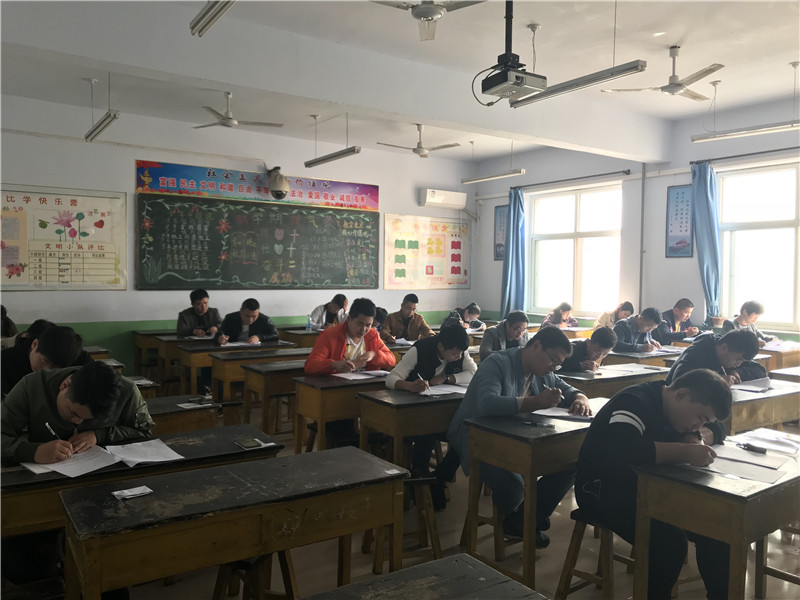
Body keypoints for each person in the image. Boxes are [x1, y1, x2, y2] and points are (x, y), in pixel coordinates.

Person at [575, 369, 732, 599]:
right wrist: (685, 451)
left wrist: (698, 436)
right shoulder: (635, 401)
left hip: (651, 491)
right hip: (602, 491)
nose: (698, 425)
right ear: (681, 395)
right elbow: (624, 450)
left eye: (704, 421)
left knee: (717, 527)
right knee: (669, 543)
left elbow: (718, 429)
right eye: (700, 417)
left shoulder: (678, 412)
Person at [1, 360, 154, 591]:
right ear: (65, 385)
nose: (77, 422)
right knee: (23, 564)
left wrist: (99, 434)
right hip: (44, 490)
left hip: (100, 491)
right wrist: (33, 451)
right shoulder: (32, 387)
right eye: (74, 413)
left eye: (86, 419)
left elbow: (144, 431)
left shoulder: (126, 391)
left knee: (107, 568)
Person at [447, 327, 591, 548]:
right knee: (514, 486)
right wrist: (537, 402)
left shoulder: (543, 372)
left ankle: (522, 521)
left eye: (558, 364)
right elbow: (487, 403)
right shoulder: (497, 362)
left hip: (515, 437)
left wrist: (581, 398)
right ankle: (525, 521)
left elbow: (566, 388)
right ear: (536, 346)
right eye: (553, 360)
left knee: (570, 462)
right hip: (479, 439)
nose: (553, 367)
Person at [386, 326, 476, 508]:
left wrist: (447, 378)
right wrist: (409, 385)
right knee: (425, 433)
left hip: (443, 415)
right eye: (455, 353)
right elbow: (391, 378)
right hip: (414, 415)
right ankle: (421, 480)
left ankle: (439, 477)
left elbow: (473, 373)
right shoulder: (420, 349)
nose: (459, 356)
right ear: (441, 346)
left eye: (461, 353)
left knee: (466, 435)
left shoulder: (460, 350)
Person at [304, 297, 396, 375]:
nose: (364, 329)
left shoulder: (372, 335)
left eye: (368, 325)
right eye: (360, 324)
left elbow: (392, 360)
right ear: (349, 319)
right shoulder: (329, 335)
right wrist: (333, 365)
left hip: (367, 384)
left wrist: (374, 355)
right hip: (337, 385)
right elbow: (310, 365)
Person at [1, 321, 87, 398]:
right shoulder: (4, 361)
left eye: (55, 367)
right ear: (35, 345)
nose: (47, 370)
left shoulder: (76, 358)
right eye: (45, 361)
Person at [665, 330, 765, 386]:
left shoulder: (734, 352)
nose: (738, 364)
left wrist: (737, 372)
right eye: (738, 360)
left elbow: (760, 371)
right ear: (724, 348)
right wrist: (716, 380)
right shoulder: (698, 352)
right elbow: (679, 380)